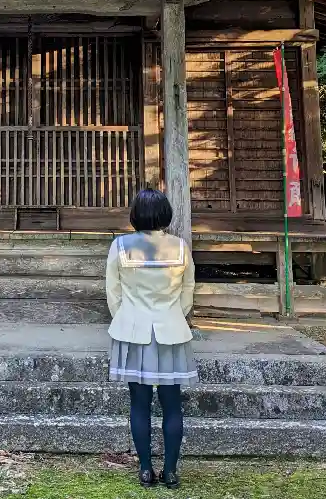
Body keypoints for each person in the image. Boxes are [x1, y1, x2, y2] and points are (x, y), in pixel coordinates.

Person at [106, 188, 197, 489]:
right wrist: (173, 315)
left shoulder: (120, 246)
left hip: (133, 331)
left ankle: (146, 469)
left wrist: (126, 317)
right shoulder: (180, 247)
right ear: (165, 214)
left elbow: (113, 293)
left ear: (135, 215)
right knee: (172, 404)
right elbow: (187, 292)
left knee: (139, 403)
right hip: (170, 330)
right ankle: (170, 471)